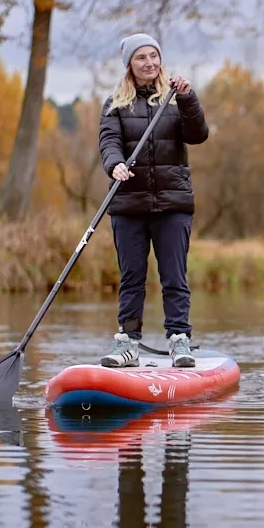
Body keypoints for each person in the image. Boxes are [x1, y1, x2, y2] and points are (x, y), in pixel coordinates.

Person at [98, 33, 209, 368]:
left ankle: (179, 341)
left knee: (174, 276)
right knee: (132, 277)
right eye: (140, 58)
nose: (149, 63)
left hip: (172, 203)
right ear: (129, 65)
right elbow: (109, 141)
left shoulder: (176, 99)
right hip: (128, 205)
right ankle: (128, 343)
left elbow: (198, 134)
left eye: (153, 56)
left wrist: (189, 100)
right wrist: (114, 164)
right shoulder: (115, 104)